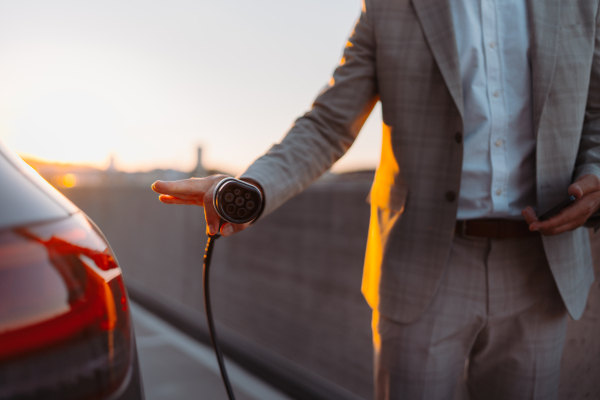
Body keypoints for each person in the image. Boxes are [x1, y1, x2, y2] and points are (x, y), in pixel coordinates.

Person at [152, 0, 600, 398]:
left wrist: (595, 173)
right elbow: (329, 123)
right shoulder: (390, 6)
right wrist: (249, 190)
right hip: (423, 268)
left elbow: (596, 110)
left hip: (541, 267)